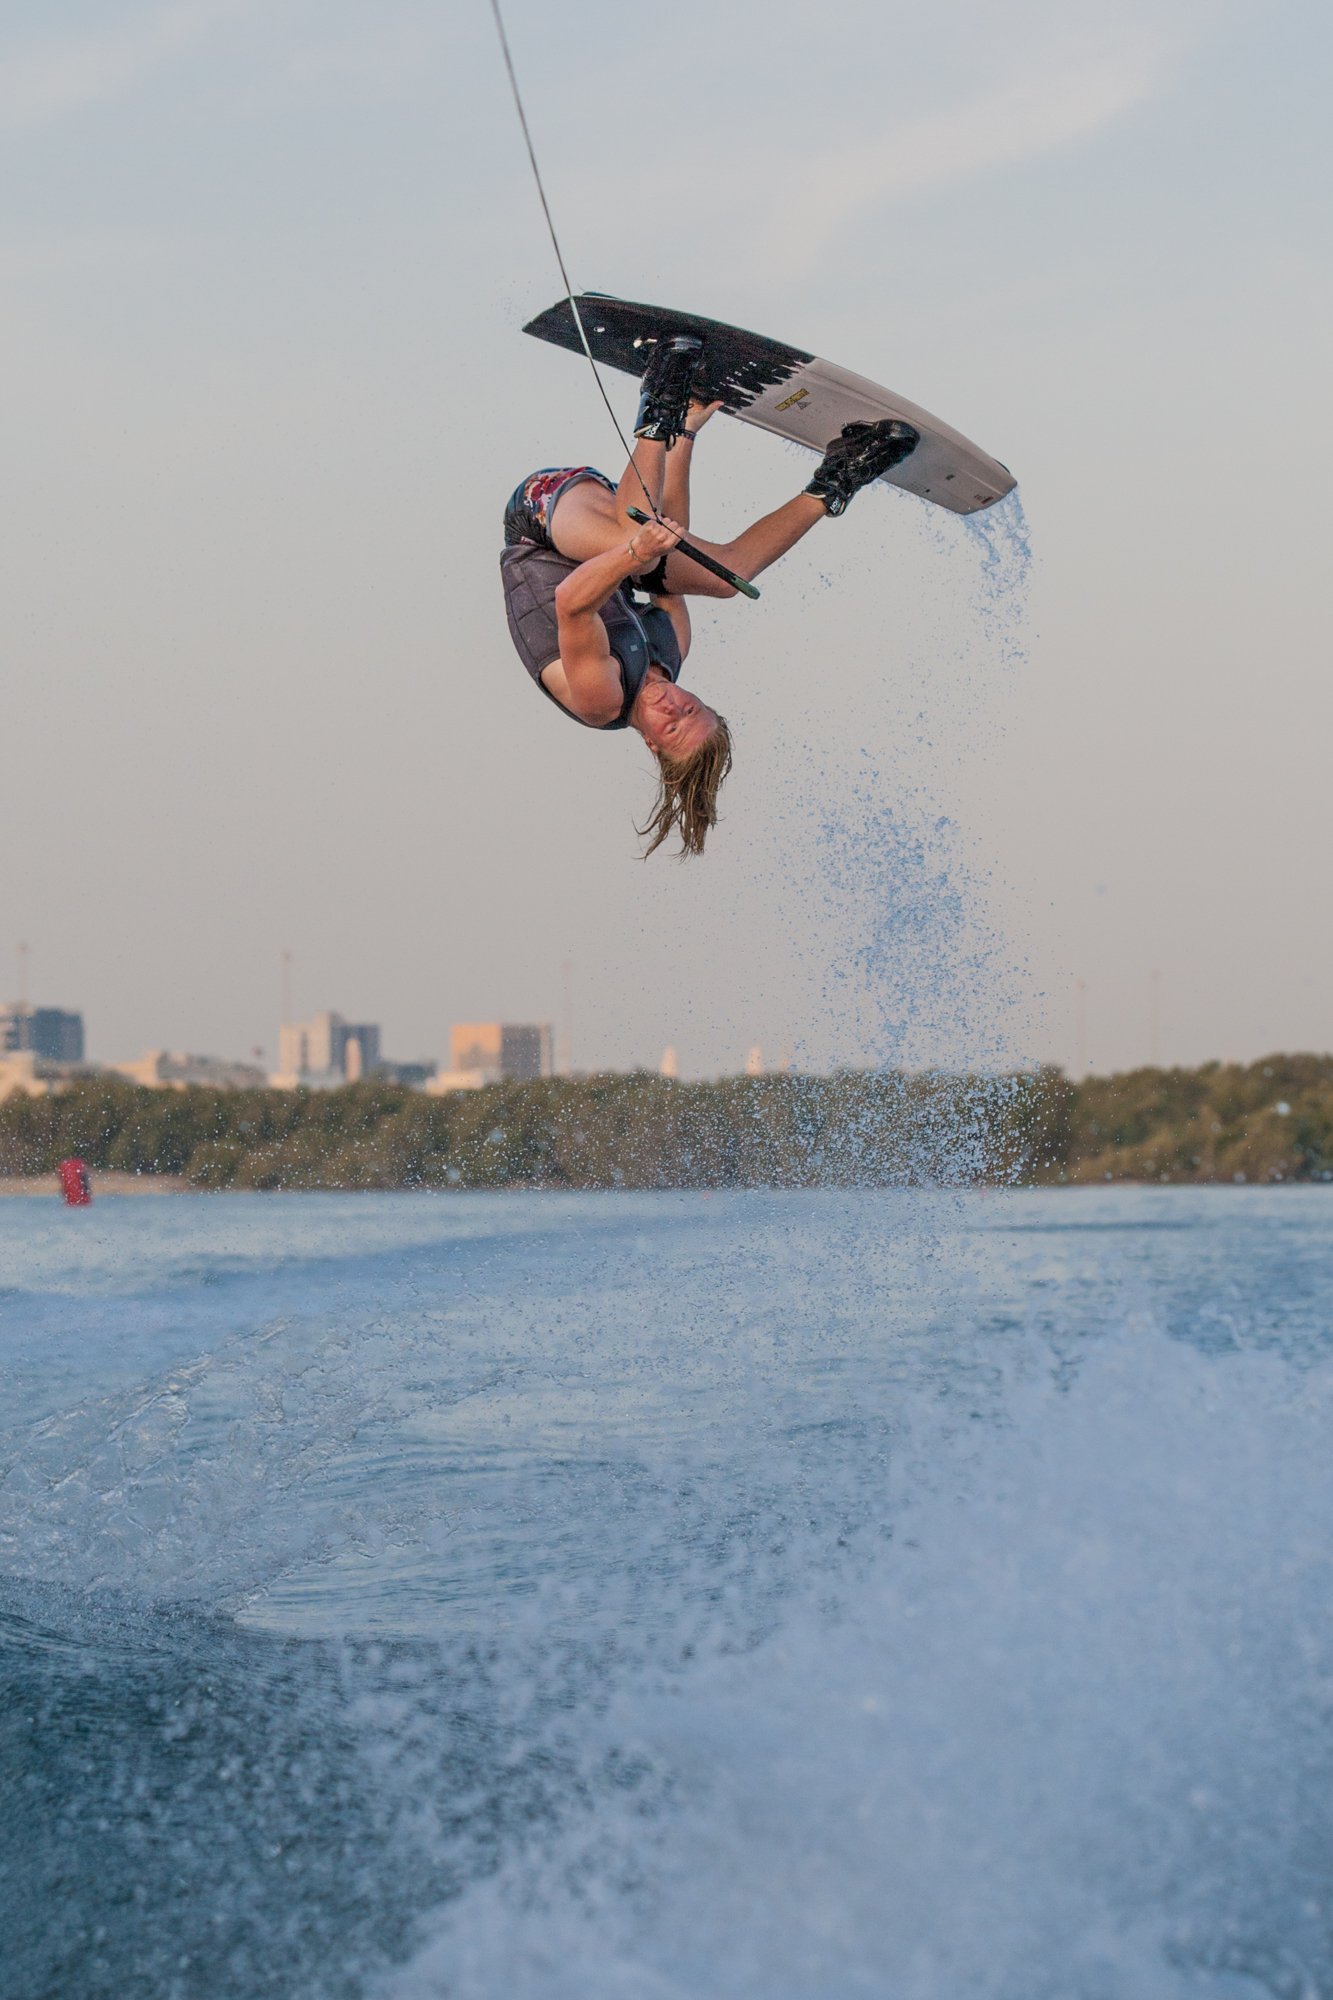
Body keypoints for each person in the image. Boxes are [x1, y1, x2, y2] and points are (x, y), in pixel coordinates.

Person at [501, 335, 918, 856]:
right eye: (691, 708)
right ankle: (840, 476)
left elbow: (571, 602)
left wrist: (635, 554)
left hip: (541, 516)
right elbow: (670, 532)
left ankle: (658, 407)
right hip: (613, 521)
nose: (672, 705)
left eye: (671, 724)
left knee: (645, 553)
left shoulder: (599, 700)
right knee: (725, 576)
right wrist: (689, 437)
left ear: (652, 744)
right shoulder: (671, 647)